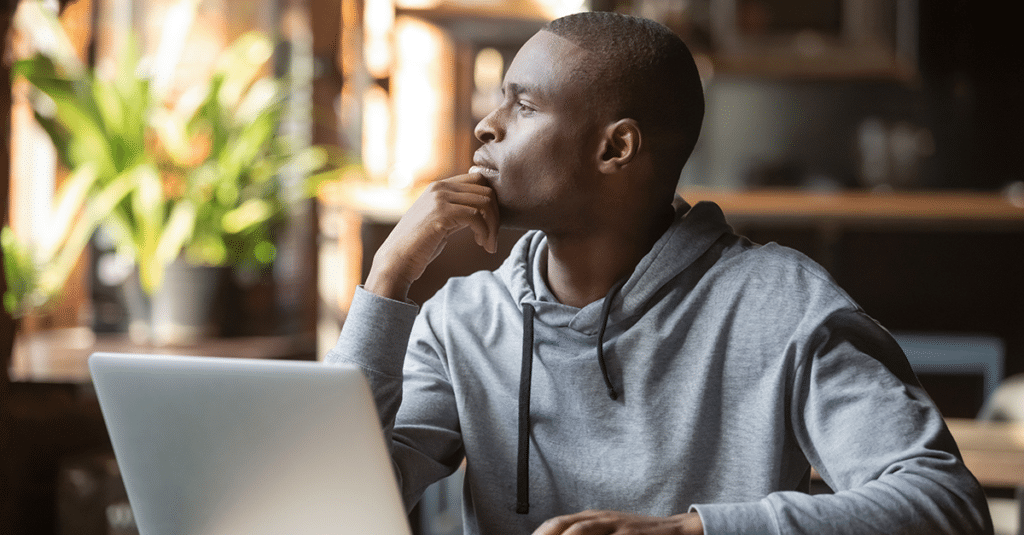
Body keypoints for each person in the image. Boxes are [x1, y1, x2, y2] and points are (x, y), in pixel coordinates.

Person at [326, 11, 992, 535]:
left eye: (523, 107)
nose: (485, 126)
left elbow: (945, 504)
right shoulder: (462, 320)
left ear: (616, 147)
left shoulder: (780, 304)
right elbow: (333, 500)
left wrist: (693, 529)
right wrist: (388, 277)